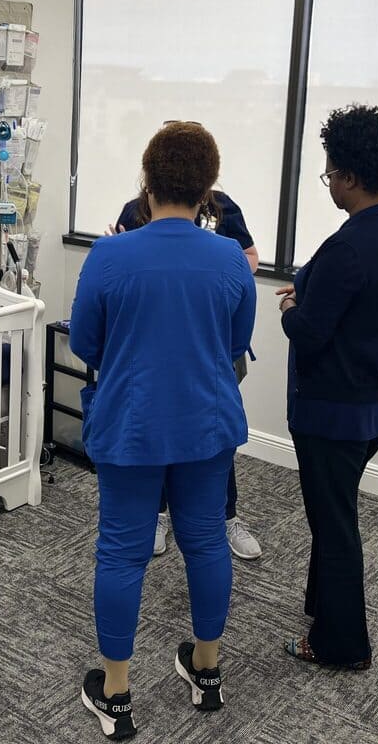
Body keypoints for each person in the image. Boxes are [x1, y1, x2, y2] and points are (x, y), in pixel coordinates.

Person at [71, 122, 256, 739]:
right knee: (204, 541)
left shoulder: (110, 255)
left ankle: (117, 693)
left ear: (145, 184)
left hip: (131, 424)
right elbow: (235, 344)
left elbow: (86, 341)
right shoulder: (230, 257)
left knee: (122, 550)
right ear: (209, 193)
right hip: (206, 425)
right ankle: (206, 673)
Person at [276, 105, 378, 670]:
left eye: (331, 174)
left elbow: (311, 334)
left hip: (334, 412)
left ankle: (343, 645)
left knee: (335, 524)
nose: (330, 184)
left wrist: (292, 306)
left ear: (354, 177)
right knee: (333, 509)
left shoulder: (349, 246)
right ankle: (323, 606)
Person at [107, 132, 262, 561]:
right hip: (151, 352)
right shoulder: (135, 211)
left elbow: (249, 258)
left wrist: (215, 270)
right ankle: (158, 514)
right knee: (153, 434)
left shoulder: (222, 207)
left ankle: (225, 517)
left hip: (209, 346)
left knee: (211, 437)